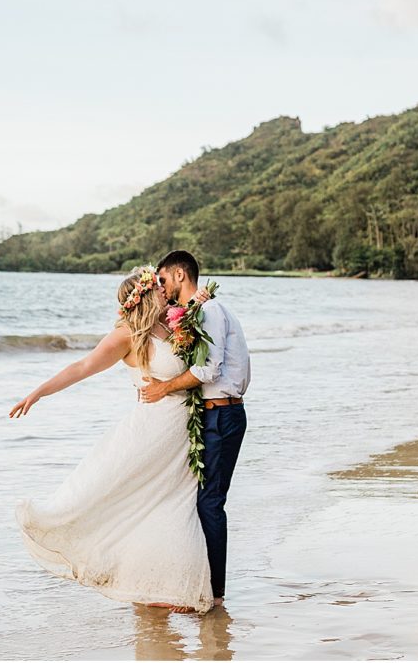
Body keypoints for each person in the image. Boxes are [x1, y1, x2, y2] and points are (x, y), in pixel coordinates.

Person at [10, 266, 215, 614]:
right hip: (153, 431)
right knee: (136, 501)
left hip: (182, 432)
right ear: (146, 294)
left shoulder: (172, 323)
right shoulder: (125, 335)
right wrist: (39, 393)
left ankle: (161, 583)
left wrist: (199, 301)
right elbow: (83, 366)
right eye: (159, 286)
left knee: (171, 505)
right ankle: (161, 586)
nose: (166, 290)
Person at [140, 250, 250, 608]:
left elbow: (208, 371)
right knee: (198, 500)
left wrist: (162, 388)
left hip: (223, 414)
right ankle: (196, 584)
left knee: (210, 503)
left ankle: (215, 595)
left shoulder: (209, 312)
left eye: (162, 280)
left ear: (179, 275)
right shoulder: (200, 311)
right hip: (212, 414)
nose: (162, 287)